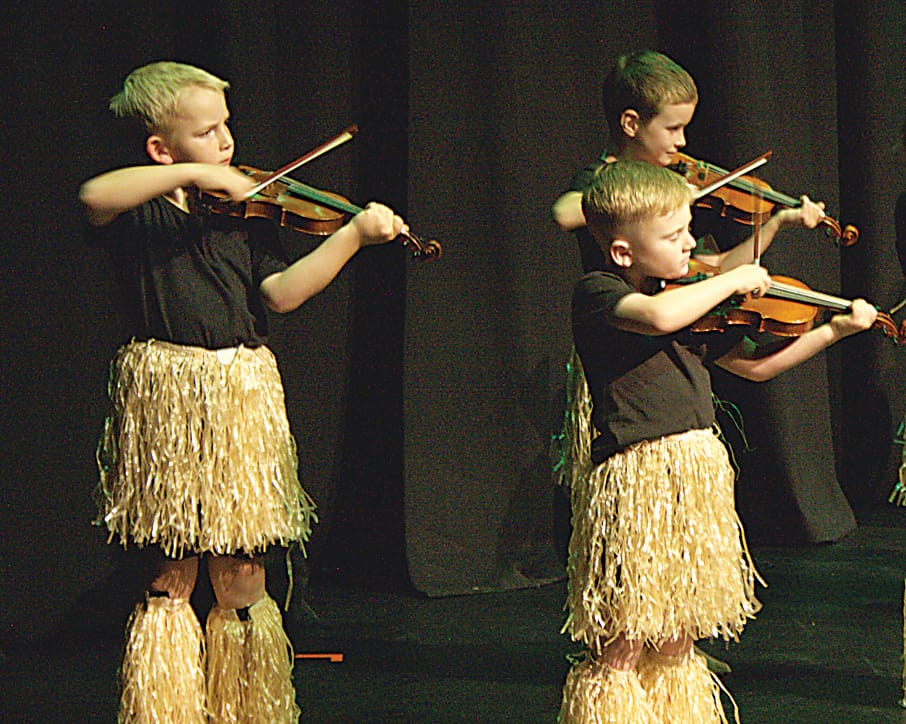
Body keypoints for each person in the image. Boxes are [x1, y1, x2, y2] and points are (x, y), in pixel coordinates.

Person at [80, 61, 405, 723]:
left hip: (239, 393)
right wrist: (193, 175)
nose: (227, 142)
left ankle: (247, 706)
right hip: (168, 396)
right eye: (207, 132)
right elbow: (93, 195)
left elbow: (282, 295)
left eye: (226, 126)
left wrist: (352, 236)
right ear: (160, 150)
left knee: (242, 571)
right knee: (172, 572)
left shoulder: (244, 212)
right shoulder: (140, 211)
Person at [559, 160, 877, 722]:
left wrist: (833, 329)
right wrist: (732, 277)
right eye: (673, 235)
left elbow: (755, 369)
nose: (690, 244)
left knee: (679, 635)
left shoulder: (691, 301)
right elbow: (657, 317)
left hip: (693, 475)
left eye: (688, 228)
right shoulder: (601, 294)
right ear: (622, 252)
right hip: (637, 481)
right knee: (626, 636)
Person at [552, 50, 854, 550]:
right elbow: (566, 214)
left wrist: (774, 221)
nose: (683, 143)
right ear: (631, 123)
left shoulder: (683, 266)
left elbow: (713, 274)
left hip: (674, 358)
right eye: (672, 129)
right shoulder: (601, 214)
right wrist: (644, 203)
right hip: (622, 348)